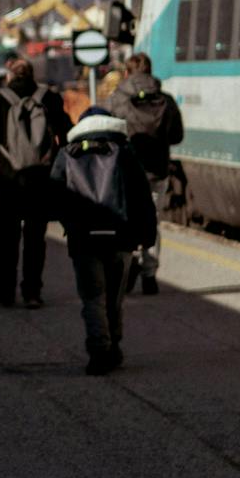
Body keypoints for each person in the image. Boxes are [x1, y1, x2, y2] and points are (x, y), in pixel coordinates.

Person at [50, 103, 158, 373]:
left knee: (92, 297)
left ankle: (100, 350)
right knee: (113, 298)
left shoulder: (67, 154)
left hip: (83, 240)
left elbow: (54, 196)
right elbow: (142, 198)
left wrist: (70, 223)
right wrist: (147, 235)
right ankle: (114, 346)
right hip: (120, 237)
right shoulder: (124, 153)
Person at [0, 55, 70, 308]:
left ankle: (5, 289)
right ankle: (32, 292)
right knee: (36, 237)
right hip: (42, 179)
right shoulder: (50, 98)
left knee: (7, 236)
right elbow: (65, 136)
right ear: (32, 75)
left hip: (8, 180)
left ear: (10, 76)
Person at [106, 51, 184, 295]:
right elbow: (177, 136)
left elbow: (108, 133)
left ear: (127, 72)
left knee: (127, 221)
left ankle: (128, 269)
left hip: (126, 172)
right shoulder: (166, 100)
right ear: (150, 71)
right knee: (152, 221)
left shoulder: (116, 99)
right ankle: (150, 274)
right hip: (157, 171)